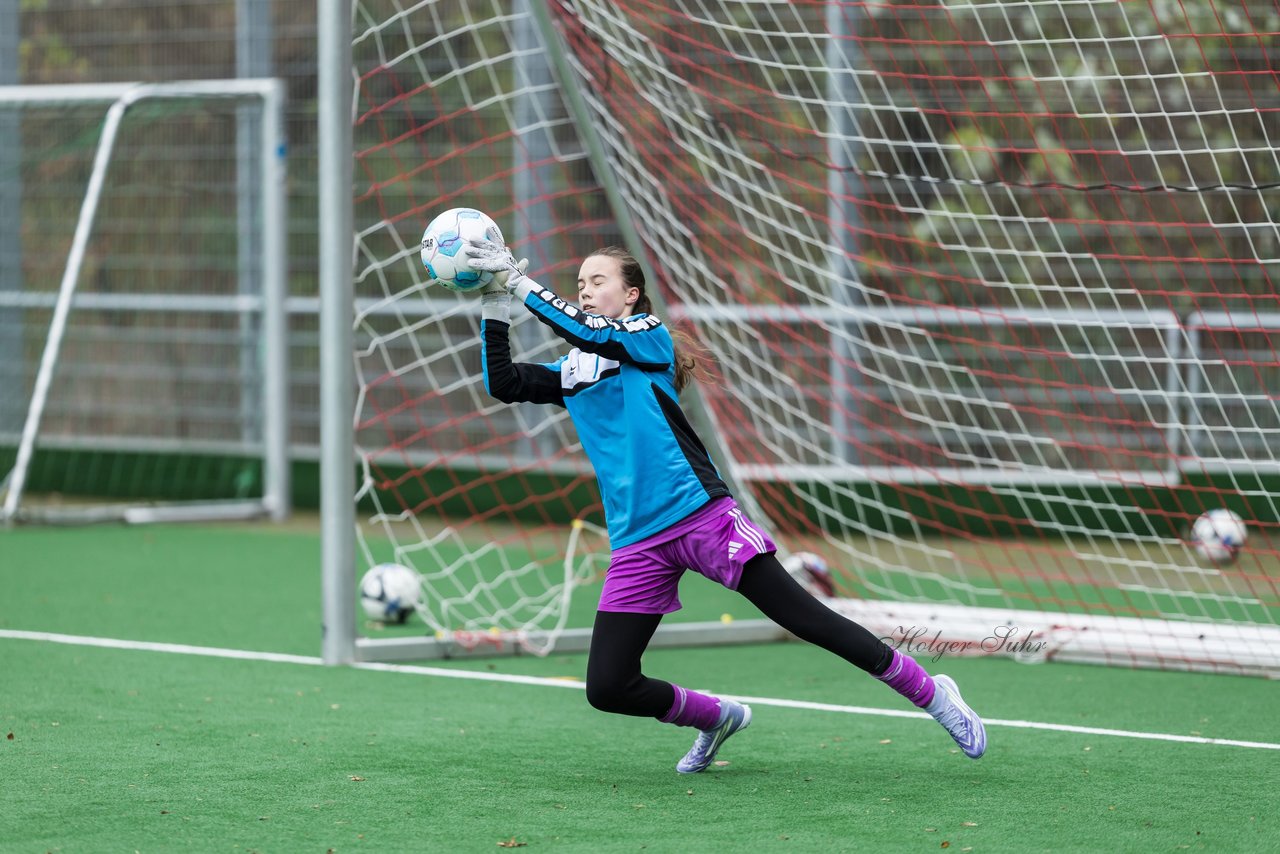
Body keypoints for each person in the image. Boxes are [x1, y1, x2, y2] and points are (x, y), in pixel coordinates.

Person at [462, 239, 986, 773]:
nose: (587, 291)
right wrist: (494, 305)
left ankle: (934, 694)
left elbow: (593, 333)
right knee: (608, 686)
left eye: (598, 282)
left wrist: (521, 283)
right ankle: (716, 717)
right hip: (636, 540)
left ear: (631, 293)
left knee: (805, 618)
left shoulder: (647, 337)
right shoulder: (574, 370)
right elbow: (502, 383)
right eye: (580, 284)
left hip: (699, 515)